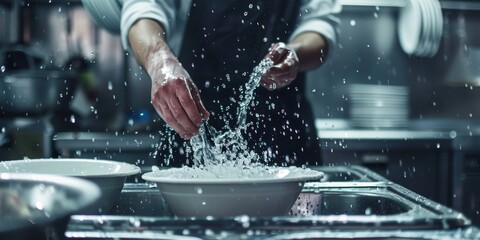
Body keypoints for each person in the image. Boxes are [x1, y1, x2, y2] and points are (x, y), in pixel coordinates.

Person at [82, 0, 340, 166]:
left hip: (284, 138)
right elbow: (143, 10)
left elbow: (319, 25)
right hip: (192, 133)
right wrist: (160, 61)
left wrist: (294, 54)